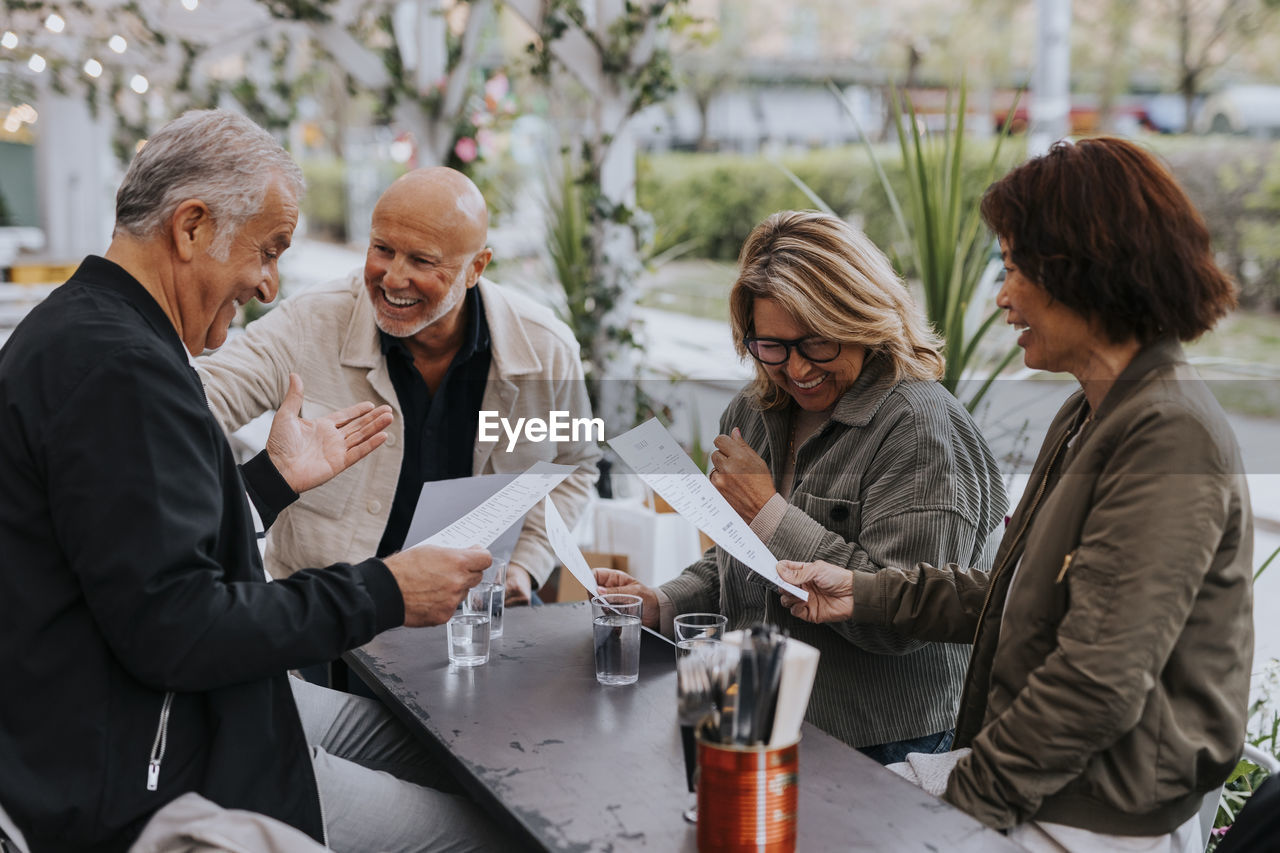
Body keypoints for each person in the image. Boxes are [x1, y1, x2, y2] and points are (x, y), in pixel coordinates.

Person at [0, 110, 509, 853]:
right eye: (268, 251)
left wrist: (270, 482)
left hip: (198, 708)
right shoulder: (118, 369)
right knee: (486, 831)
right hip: (160, 764)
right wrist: (386, 591)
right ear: (193, 228)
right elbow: (177, 626)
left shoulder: (95, 333)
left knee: (462, 759)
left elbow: (133, 544)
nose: (269, 283)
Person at [778, 138, 1253, 850]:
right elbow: (1020, 593)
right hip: (1041, 785)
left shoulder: (1167, 435)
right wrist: (864, 591)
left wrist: (958, 807)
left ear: (1084, 268)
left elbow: (1096, 680)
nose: (1002, 295)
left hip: (1095, 816)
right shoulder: (1093, 410)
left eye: (1014, 267)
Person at [596, 210, 1008, 760]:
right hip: (745, 705)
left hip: (873, 747)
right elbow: (740, 564)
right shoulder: (753, 409)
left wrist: (767, 510)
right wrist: (662, 604)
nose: (795, 369)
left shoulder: (919, 427)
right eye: (771, 346)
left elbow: (905, 624)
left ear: (864, 320)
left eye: (817, 344)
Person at [195, 167, 599, 607]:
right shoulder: (308, 323)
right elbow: (194, 404)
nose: (392, 278)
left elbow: (574, 465)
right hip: (336, 618)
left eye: (422, 261)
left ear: (475, 268)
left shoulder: (546, 349)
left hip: (480, 608)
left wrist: (525, 564)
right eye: (382, 249)